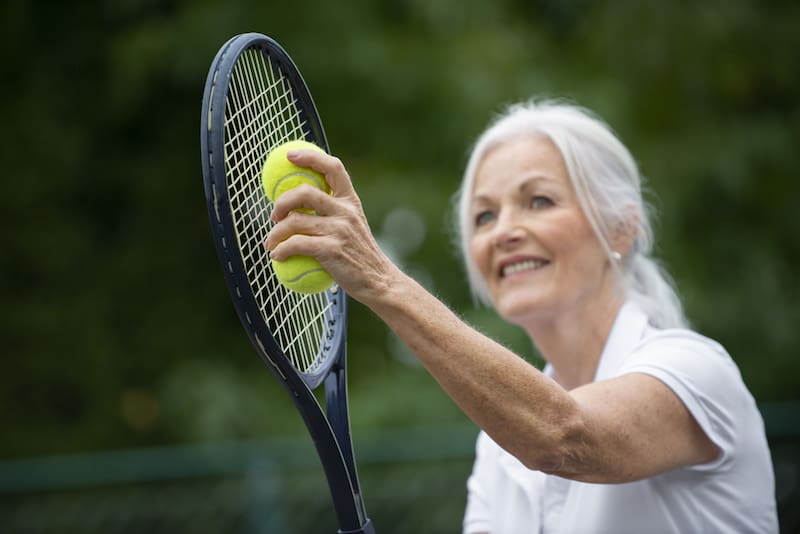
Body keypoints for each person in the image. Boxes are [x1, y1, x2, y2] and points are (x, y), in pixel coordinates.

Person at [265, 99, 778, 533]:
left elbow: (564, 436)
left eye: (539, 200)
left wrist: (381, 280)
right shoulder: (498, 448)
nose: (505, 230)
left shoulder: (695, 371)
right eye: (485, 215)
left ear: (620, 230)